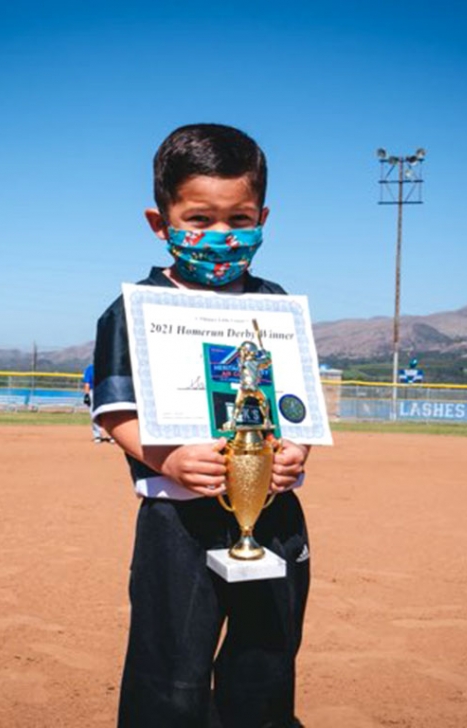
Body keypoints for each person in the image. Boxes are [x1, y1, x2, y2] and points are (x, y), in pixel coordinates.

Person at [92, 123, 311, 728]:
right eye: (199, 219)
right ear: (159, 223)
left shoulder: (277, 303)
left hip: (274, 519)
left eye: (240, 221)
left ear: (263, 215)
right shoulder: (132, 308)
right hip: (177, 526)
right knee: (169, 673)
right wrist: (166, 460)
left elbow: (295, 407)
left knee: (266, 663)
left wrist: (293, 455)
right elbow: (114, 411)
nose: (220, 235)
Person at [83, 363, 111, 443]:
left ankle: (111, 435)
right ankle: (97, 435)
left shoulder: (109, 367)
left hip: (106, 390)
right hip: (93, 392)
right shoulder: (90, 368)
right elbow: (87, 383)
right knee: (93, 413)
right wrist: (86, 395)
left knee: (108, 413)